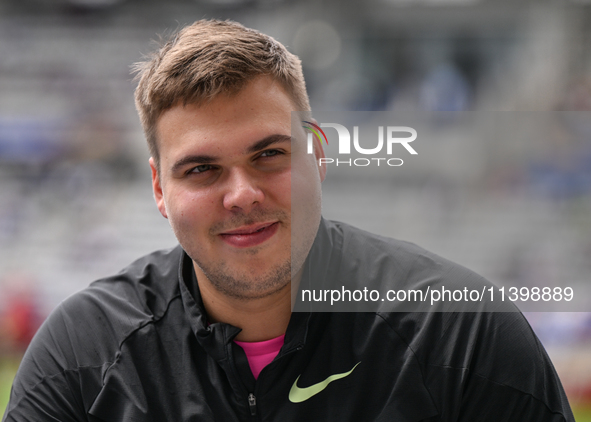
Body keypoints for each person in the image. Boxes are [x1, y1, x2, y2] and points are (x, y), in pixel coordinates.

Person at [3, 19, 574, 421]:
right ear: (159, 187)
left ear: (319, 154)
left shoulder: (462, 334)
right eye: (201, 170)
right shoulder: (83, 353)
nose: (242, 194)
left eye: (270, 155)